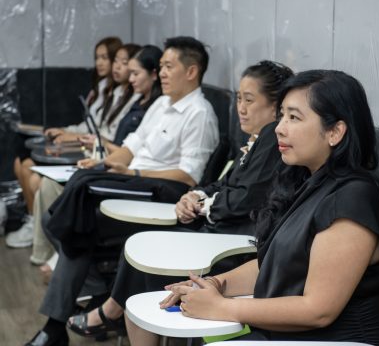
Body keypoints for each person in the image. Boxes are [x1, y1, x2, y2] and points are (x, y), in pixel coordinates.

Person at [131, 70, 379, 346]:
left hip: (343, 340)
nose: (280, 128)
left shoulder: (352, 198)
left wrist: (222, 307)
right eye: (281, 115)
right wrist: (214, 284)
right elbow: (273, 266)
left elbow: (318, 310)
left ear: (335, 132)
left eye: (294, 117)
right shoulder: (306, 183)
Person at [67, 60, 293, 340]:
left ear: (275, 107)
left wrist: (201, 205)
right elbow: (224, 184)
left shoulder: (271, 137)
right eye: (238, 99)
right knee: (140, 250)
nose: (241, 109)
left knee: (144, 260)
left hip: (235, 243)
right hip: (219, 231)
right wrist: (195, 195)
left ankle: (111, 311)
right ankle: (112, 311)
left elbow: (244, 199)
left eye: (249, 100)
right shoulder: (257, 139)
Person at [24, 36, 219, 346]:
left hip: (158, 194)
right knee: (63, 215)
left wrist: (133, 173)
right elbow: (131, 147)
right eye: (161, 66)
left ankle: (58, 325)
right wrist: (105, 165)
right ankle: (102, 294)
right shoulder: (161, 104)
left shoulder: (199, 113)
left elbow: (188, 175)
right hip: (132, 182)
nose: (162, 73)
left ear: (191, 71)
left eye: (168, 66)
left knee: (76, 223)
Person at [30, 45, 163, 270]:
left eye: (134, 71)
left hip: (132, 178)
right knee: (52, 183)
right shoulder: (146, 105)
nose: (129, 77)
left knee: (59, 188)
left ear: (153, 74)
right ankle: (55, 255)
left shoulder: (168, 109)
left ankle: (62, 258)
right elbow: (128, 148)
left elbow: (142, 159)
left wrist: (109, 157)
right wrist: (102, 160)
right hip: (118, 167)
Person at [7, 37, 123, 249]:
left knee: (33, 176)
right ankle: (33, 221)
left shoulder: (122, 96)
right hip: (87, 147)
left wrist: (71, 136)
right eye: (97, 58)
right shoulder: (101, 89)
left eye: (106, 58)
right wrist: (66, 131)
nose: (101, 63)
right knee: (20, 161)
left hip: (95, 155)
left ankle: (42, 232)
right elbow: (89, 126)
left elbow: (103, 136)